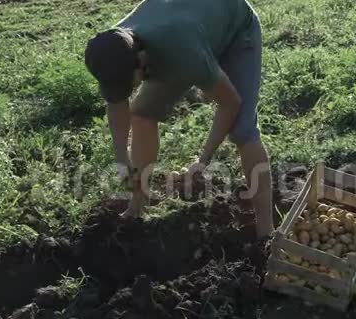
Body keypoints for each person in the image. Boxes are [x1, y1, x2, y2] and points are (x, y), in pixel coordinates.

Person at [84, 0, 273, 238]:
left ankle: (267, 235)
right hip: (189, 28)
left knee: (243, 130)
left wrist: (202, 160)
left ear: (141, 61)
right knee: (142, 114)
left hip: (235, 29)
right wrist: (121, 158)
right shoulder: (113, 50)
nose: (122, 89)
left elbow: (229, 103)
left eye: (126, 83)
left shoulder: (181, 53)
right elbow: (117, 103)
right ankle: (137, 205)